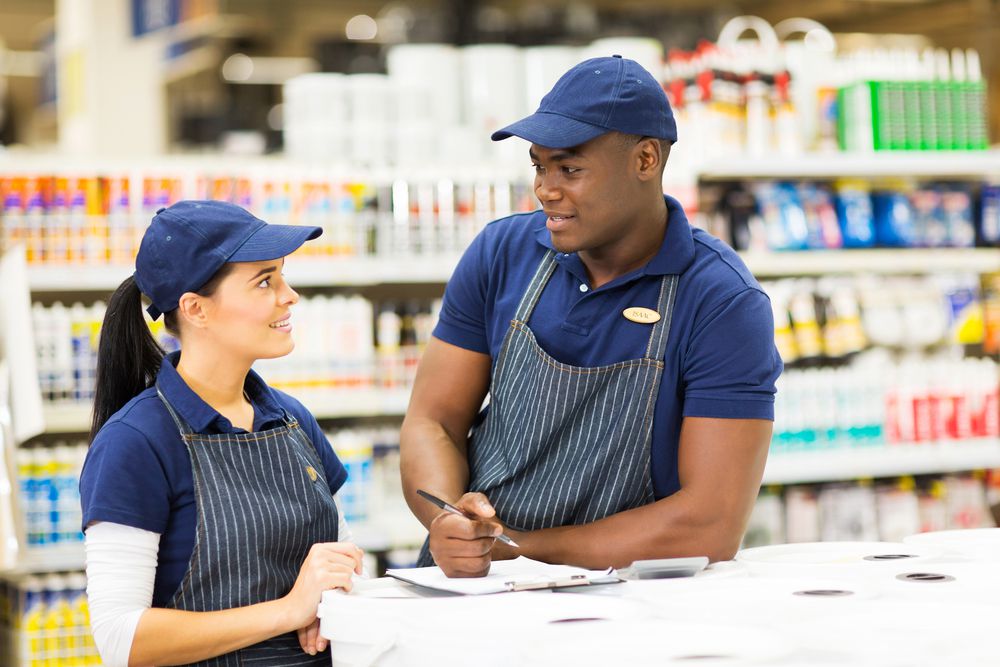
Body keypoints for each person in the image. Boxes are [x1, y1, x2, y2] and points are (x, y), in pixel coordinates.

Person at [400, 55, 783, 577]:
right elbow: (433, 421)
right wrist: (448, 520)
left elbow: (709, 524)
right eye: (539, 165)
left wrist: (522, 549)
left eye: (569, 169)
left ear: (645, 159)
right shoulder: (501, 253)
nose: (545, 188)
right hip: (474, 583)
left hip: (627, 604)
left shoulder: (720, 299)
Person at [79, 201, 363, 666]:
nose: (289, 296)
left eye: (283, 277)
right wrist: (289, 610)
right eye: (265, 281)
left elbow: (341, 555)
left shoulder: (291, 419)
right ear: (196, 309)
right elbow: (120, 638)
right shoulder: (136, 441)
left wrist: (330, 602)